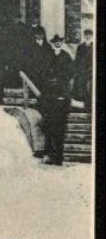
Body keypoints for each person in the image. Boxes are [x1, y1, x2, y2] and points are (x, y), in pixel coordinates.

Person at [37, 35, 74, 165]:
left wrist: (60, 81)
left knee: (60, 129)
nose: (57, 43)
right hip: (49, 97)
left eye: (60, 42)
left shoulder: (66, 56)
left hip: (61, 97)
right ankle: (49, 155)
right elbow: (43, 70)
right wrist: (49, 79)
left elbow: (70, 72)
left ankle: (58, 157)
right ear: (53, 43)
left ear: (62, 42)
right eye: (55, 42)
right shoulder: (48, 55)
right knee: (49, 128)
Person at [73, 29, 93, 111]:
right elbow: (77, 59)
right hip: (82, 71)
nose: (87, 36)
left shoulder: (94, 46)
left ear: (92, 36)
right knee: (80, 87)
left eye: (89, 35)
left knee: (90, 88)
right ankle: (82, 106)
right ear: (84, 36)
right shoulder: (80, 46)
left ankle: (90, 105)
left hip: (91, 70)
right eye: (86, 35)